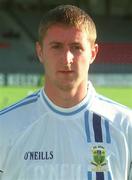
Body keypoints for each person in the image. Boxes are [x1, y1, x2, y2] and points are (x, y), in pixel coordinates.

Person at [0, 4, 132, 180]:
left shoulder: (125, 126)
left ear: (93, 53)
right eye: (56, 46)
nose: (67, 58)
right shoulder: (6, 126)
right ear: (40, 51)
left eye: (76, 47)